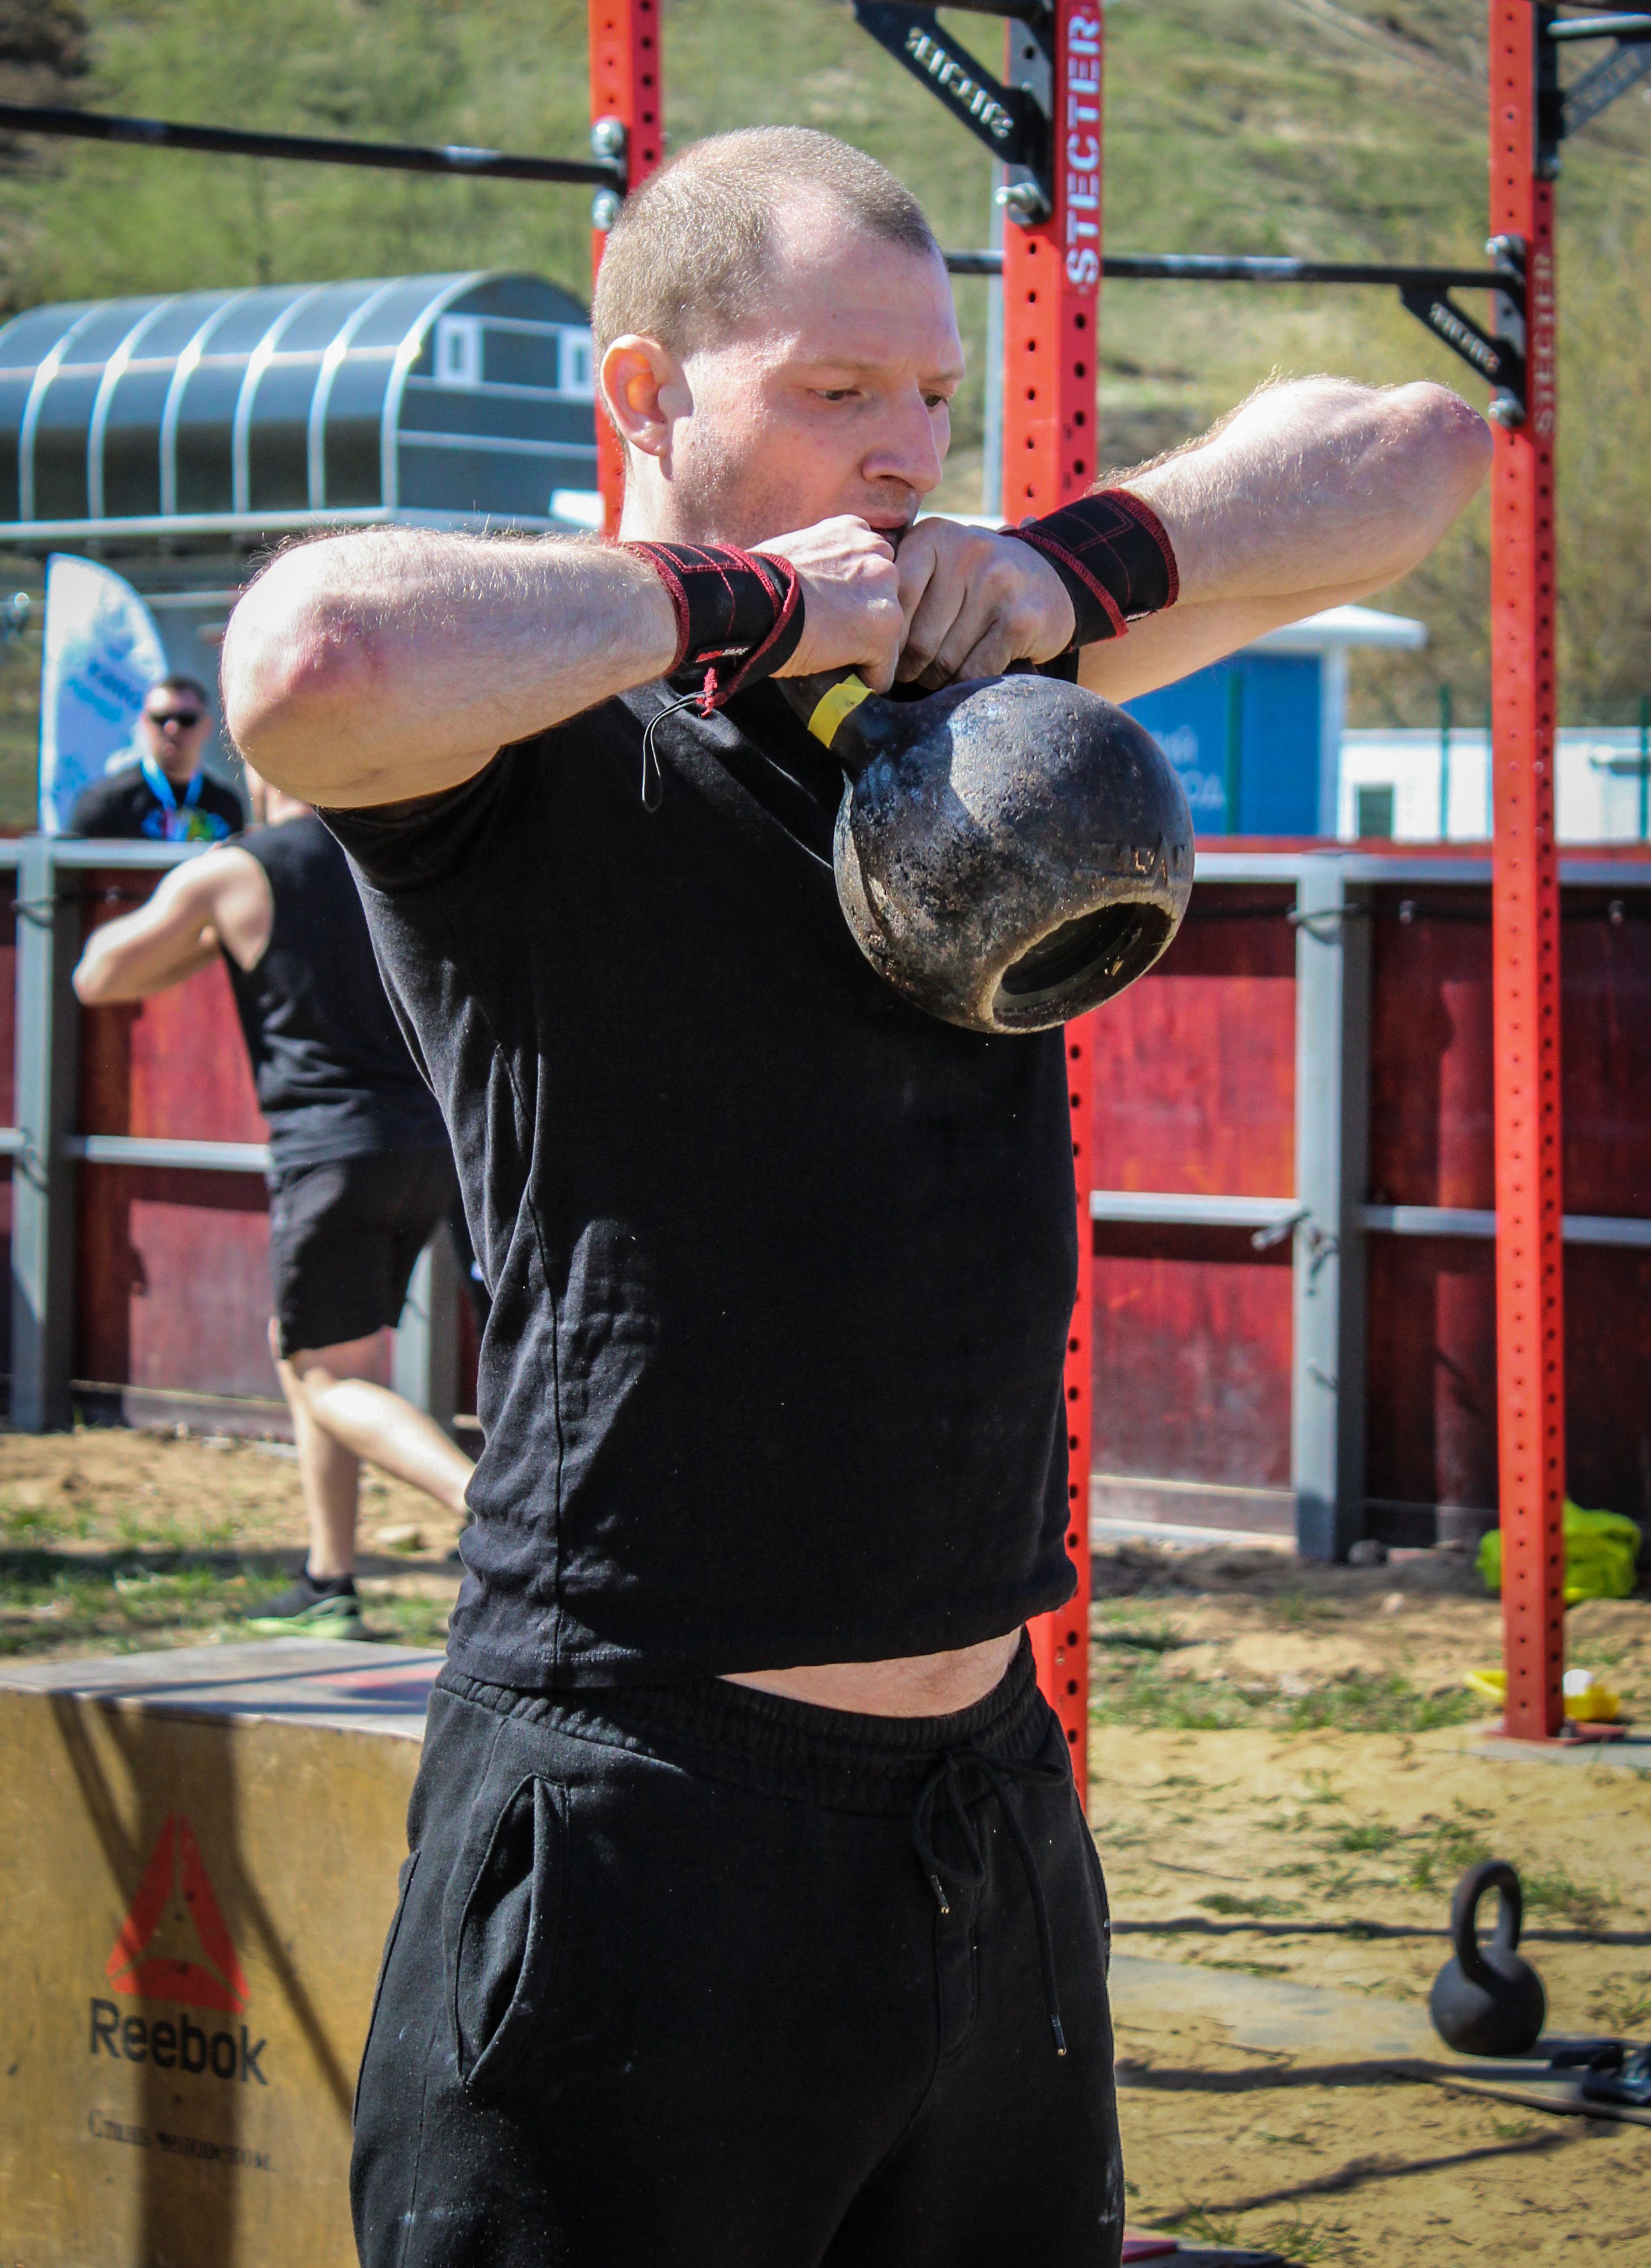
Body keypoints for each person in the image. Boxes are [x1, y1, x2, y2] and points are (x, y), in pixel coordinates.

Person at [223, 127, 1491, 2265]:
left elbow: (1418, 450)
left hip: (984, 1802)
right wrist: (732, 602)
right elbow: (306, 660)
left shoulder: (965, 687)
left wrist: (1077, 566)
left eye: (930, 393)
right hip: (637, 1794)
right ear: (645, 396)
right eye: (835, 392)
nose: (906, 449)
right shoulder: (532, 746)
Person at [72, 768, 475, 1640]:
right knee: (307, 1349)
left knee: (326, 1376)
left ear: (260, 766)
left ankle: (492, 1515)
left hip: (331, 1152)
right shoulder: (392, 845)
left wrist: (207, 931)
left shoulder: (238, 870)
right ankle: (328, 1576)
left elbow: (98, 977)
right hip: (429, 1148)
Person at [67, 672, 246, 843]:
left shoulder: (226, 805)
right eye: (161, 719)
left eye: (186, 720)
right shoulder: (107, 803)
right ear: (144, 723)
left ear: (206, 727)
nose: (172, 729)